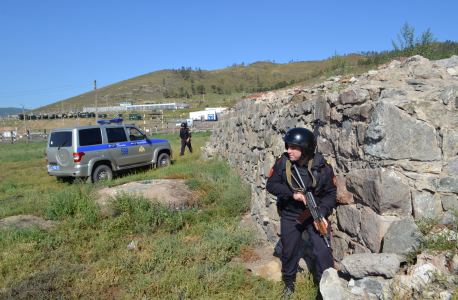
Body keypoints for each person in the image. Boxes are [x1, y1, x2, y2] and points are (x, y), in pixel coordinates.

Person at [266, 127, 337, 295]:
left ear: (305, 149)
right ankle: (289, 283)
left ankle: (326, 288)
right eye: (288, 146)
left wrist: (323, 214)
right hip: (291, 213)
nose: (288, 150)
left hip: (316, 213)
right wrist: (292, 195)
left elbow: (331, 194)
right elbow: (271, 185)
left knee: (323, 250)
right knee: (289, 249)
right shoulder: (282, 162)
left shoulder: (323, 167)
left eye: (293, 147)